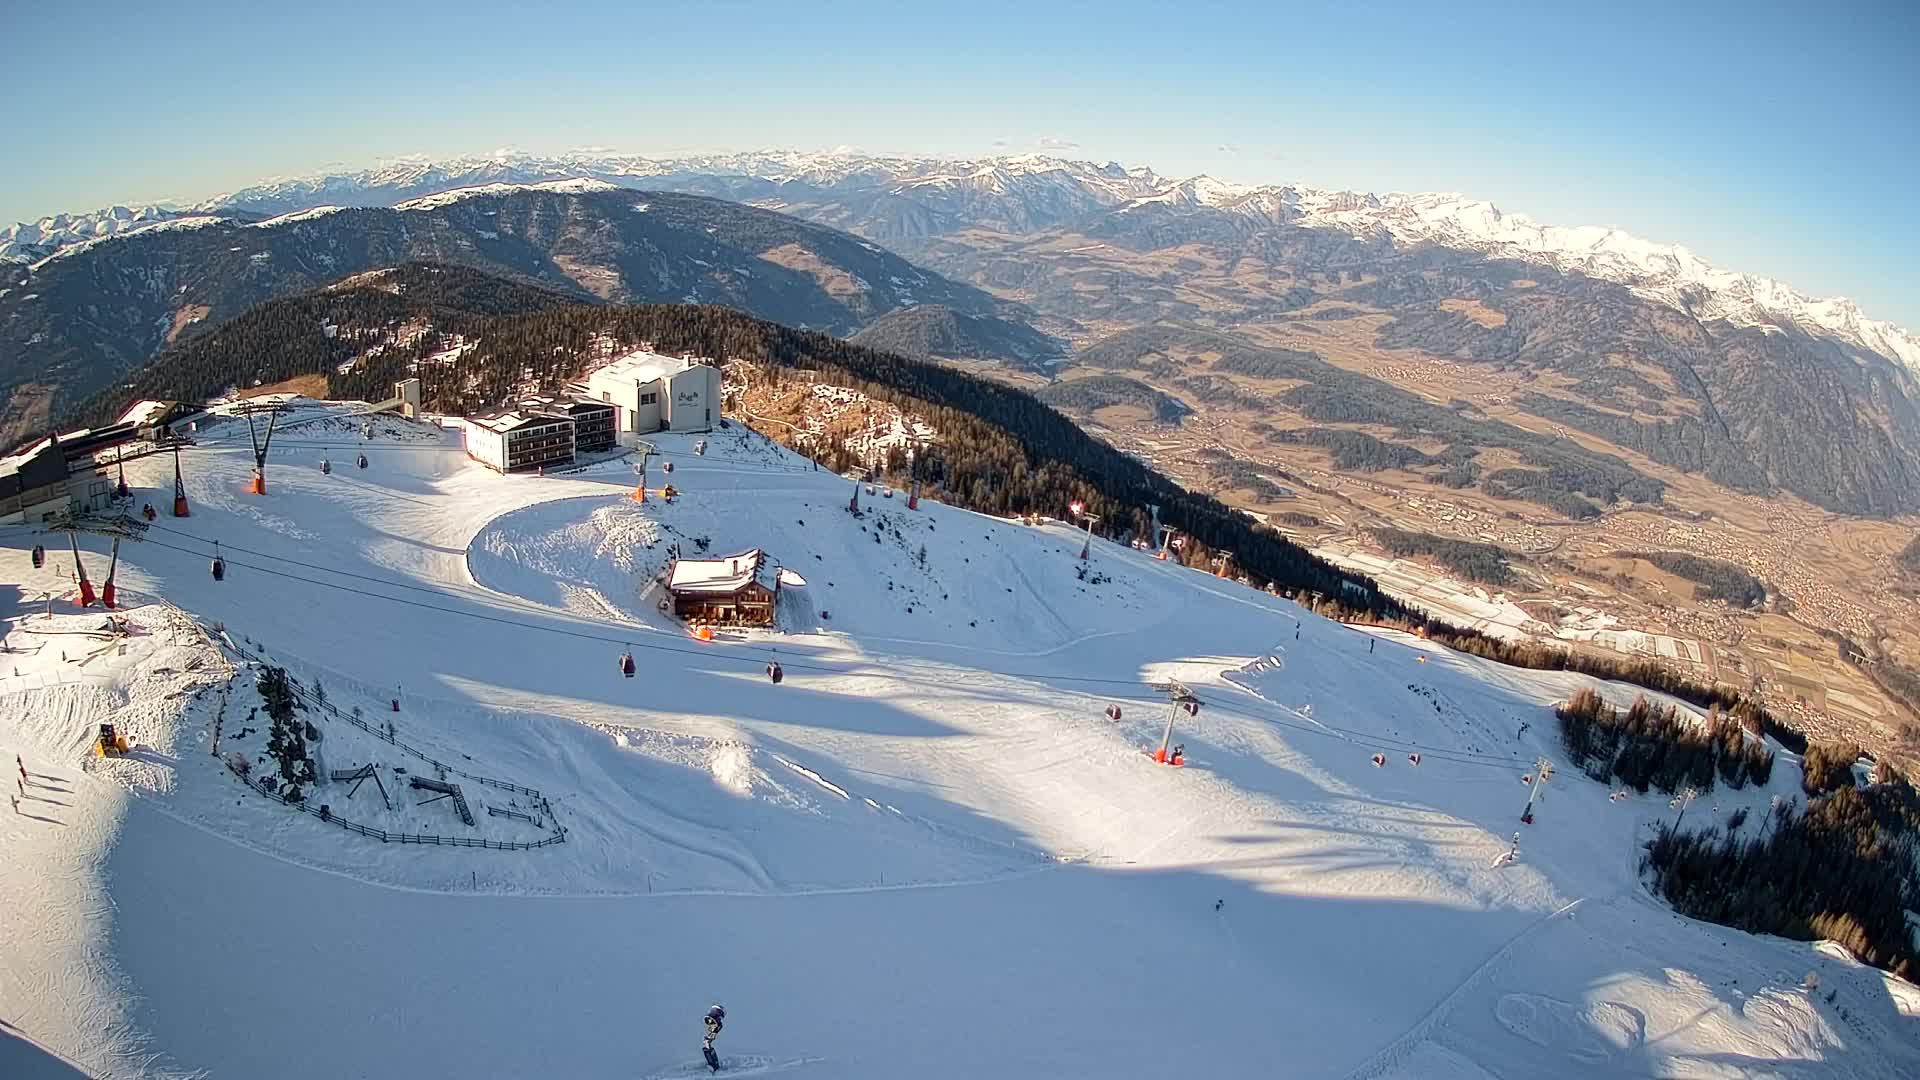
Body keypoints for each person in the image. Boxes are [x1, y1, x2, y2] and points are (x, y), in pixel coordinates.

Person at [703, 1004, 726, 1072]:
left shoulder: (717, 1023)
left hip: (713, 1030)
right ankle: (713, 1064)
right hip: (712, 1030)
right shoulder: (710, 1019)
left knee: (707, 1045)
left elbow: (716, 1027)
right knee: (707, 1045)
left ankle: (714, 1065)